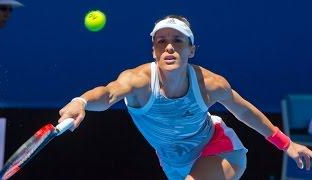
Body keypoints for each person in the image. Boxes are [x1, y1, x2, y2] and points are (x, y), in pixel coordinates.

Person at [58, 15, 312, 179]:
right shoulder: (139, 81)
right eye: (161, 41)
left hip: (219, 149)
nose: (169, 46)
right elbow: (108, 93)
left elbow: (243, 111)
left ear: (191, 50)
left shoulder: (210, 84)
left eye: (177, 41)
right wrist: (81, 101)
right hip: (174, 164)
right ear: (154, 51)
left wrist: (287, 144)